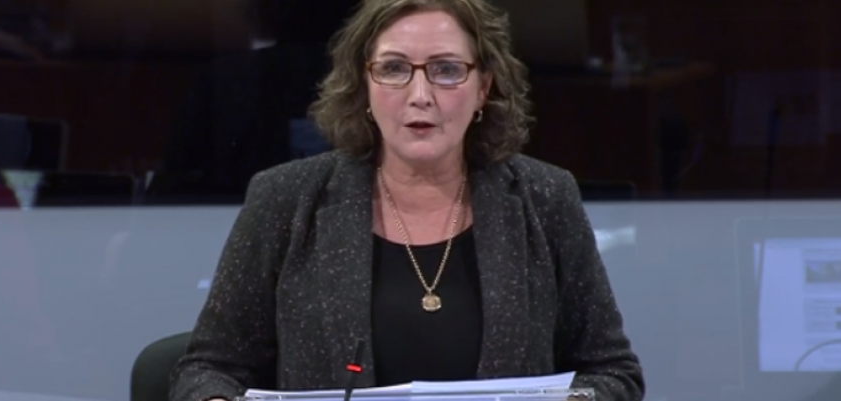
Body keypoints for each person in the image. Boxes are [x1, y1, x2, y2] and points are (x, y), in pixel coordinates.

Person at [169, 0, 644, 400]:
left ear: (483, 88)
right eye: (394, 69)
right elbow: (208, 369)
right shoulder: (286, 200)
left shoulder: (545, 198)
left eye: (446, 70)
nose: (420, 95)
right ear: (364, 85)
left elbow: (611, 372)